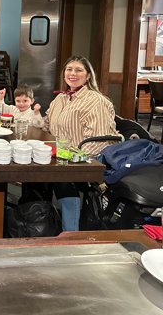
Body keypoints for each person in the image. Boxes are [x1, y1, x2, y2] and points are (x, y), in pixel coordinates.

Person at [44, 55, 119, 231]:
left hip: (87, 160)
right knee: (34, 175)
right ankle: (42, 222)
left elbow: (99, 141)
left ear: (88, 76)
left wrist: (71, 159)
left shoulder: (96, 101)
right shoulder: (61, 98)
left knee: (62, 178)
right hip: (61, 156)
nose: (73, 73)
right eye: (69, 69)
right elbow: (46, 125)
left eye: (79, 70)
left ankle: (71, 233)